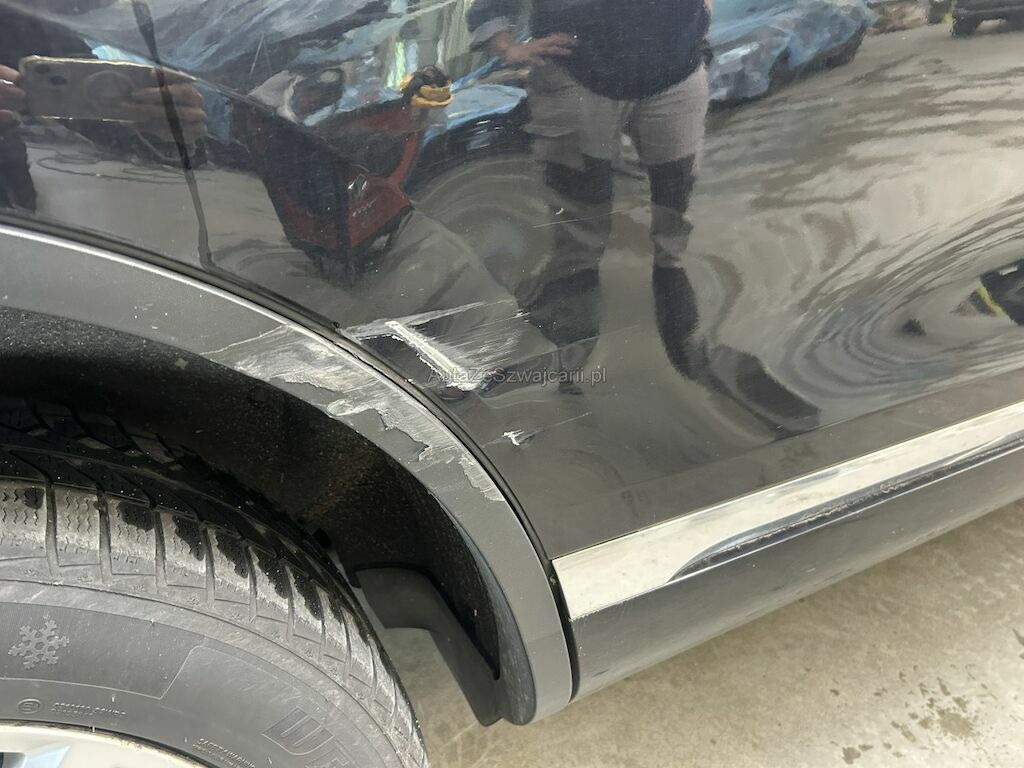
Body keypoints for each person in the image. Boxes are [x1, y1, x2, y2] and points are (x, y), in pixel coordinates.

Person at [467, 0, 712, 392]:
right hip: (576, 78)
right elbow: (489, 8)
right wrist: (508, 47)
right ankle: (562, 367)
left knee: (673, 218)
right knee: (579, 233)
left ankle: (681, 335)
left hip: (676, 72)